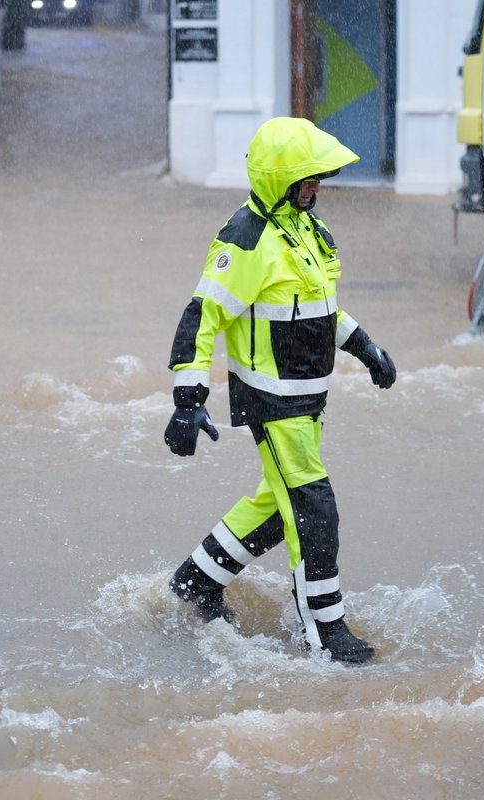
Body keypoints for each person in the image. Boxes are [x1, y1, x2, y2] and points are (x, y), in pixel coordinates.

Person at [164, 117, 397, 664]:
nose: (318, 186)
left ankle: (196, 581)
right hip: (273, 404)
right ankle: (326, 632)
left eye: (320, 177)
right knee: (314, 510)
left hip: (309, 399)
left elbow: (320, 311)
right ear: (281, 179)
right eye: (309, 177)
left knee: (278, 505)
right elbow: (202, 317)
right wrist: (187, 400)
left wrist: (365, 348)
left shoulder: (304, 230)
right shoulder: (245, 240)